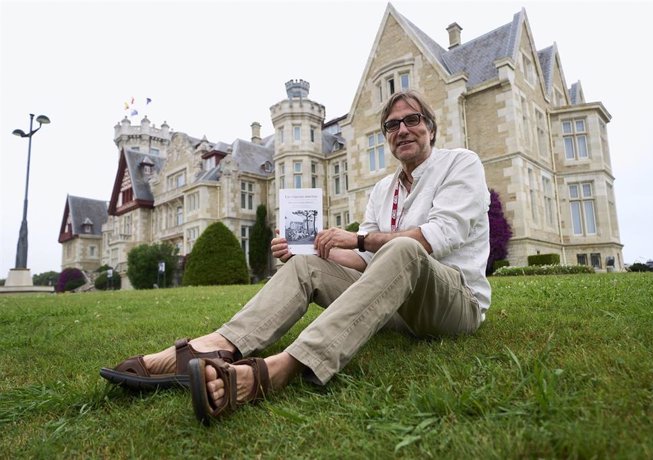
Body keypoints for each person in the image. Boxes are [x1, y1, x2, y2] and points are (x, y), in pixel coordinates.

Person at [100, 90, 491, 425]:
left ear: (431, 129)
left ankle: (279, 368)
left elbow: (433, 239)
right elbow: (373, 266)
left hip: (454, 304)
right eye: (392, 125)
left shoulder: (461, 163)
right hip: (398, 306)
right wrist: (312, 251)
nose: (402, 129)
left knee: (404, 247)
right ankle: (215, 346)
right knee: (306, 264)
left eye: (412, 120)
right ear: (387, 137)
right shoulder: (383, 189)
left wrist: (355, 238)